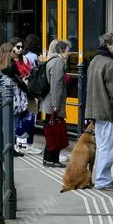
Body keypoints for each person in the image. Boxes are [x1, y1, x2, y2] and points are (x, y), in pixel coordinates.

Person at [85, 32, 113, 192]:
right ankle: (103, 181)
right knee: (107, 147)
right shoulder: (110, 64)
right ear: (108, 45)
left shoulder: (95, 61)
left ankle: (102, 179)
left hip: (95, 110)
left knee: (102, 145)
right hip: (107, 112)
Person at [0, 42, 40, 156]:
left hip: (6, 99)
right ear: (7, 53)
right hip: (14, 100)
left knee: (5, 125)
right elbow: (20, 83)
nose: (14, 52)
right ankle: (9, 149)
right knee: (12, 125)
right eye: (12, 50)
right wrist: (29, 93)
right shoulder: (11, 66)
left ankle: (5, 148)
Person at [39, 39, 71, 167]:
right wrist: (56, 106)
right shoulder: (58, 62)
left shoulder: (50, 60)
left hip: (48, 103)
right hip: (53, 105)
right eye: (68, 51)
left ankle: (48, 159)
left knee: (51, 132)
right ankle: (53, 160)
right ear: (61, 51)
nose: (69, 54)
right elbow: (56, 85)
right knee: (56, 133)